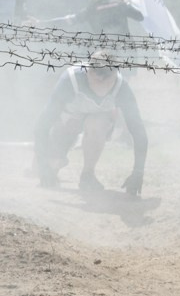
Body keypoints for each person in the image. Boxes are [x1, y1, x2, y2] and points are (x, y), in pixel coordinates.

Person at [34, 52, 148, 194]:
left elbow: (138, 131)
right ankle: (49, 163)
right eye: (98, 80)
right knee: (53, 163)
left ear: (115, 73)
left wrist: (138, 172)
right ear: (88, 72)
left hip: (97, 121)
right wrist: (42, 163)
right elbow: (42, 124)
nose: (103, 86)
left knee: (97, 123)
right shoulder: (71, 80)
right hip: (68, 122)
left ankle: (88, 175)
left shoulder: (121, 87)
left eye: (108, 81)